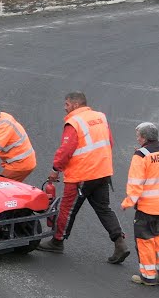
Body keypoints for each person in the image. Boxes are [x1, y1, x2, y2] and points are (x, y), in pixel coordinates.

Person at [37, 91, 130, 263]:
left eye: (66, 104)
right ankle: (120, 242)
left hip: (82, 175)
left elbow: (66, 150)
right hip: (102, 172)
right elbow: (109, 142)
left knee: (67, 209)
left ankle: (57, 242)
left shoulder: (74, 122)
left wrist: (55, 169)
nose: (64, 108)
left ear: (75, 104)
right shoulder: (100, 117)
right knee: (104, 208)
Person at [120, 122, 159, 286]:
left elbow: (135, 184)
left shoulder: (140, 156)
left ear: (144, 137)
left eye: (138, 135)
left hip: (147, 207)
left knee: (144, 239)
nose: (137, 138)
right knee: (156, 234)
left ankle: (148, 276)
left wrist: (128, 202)